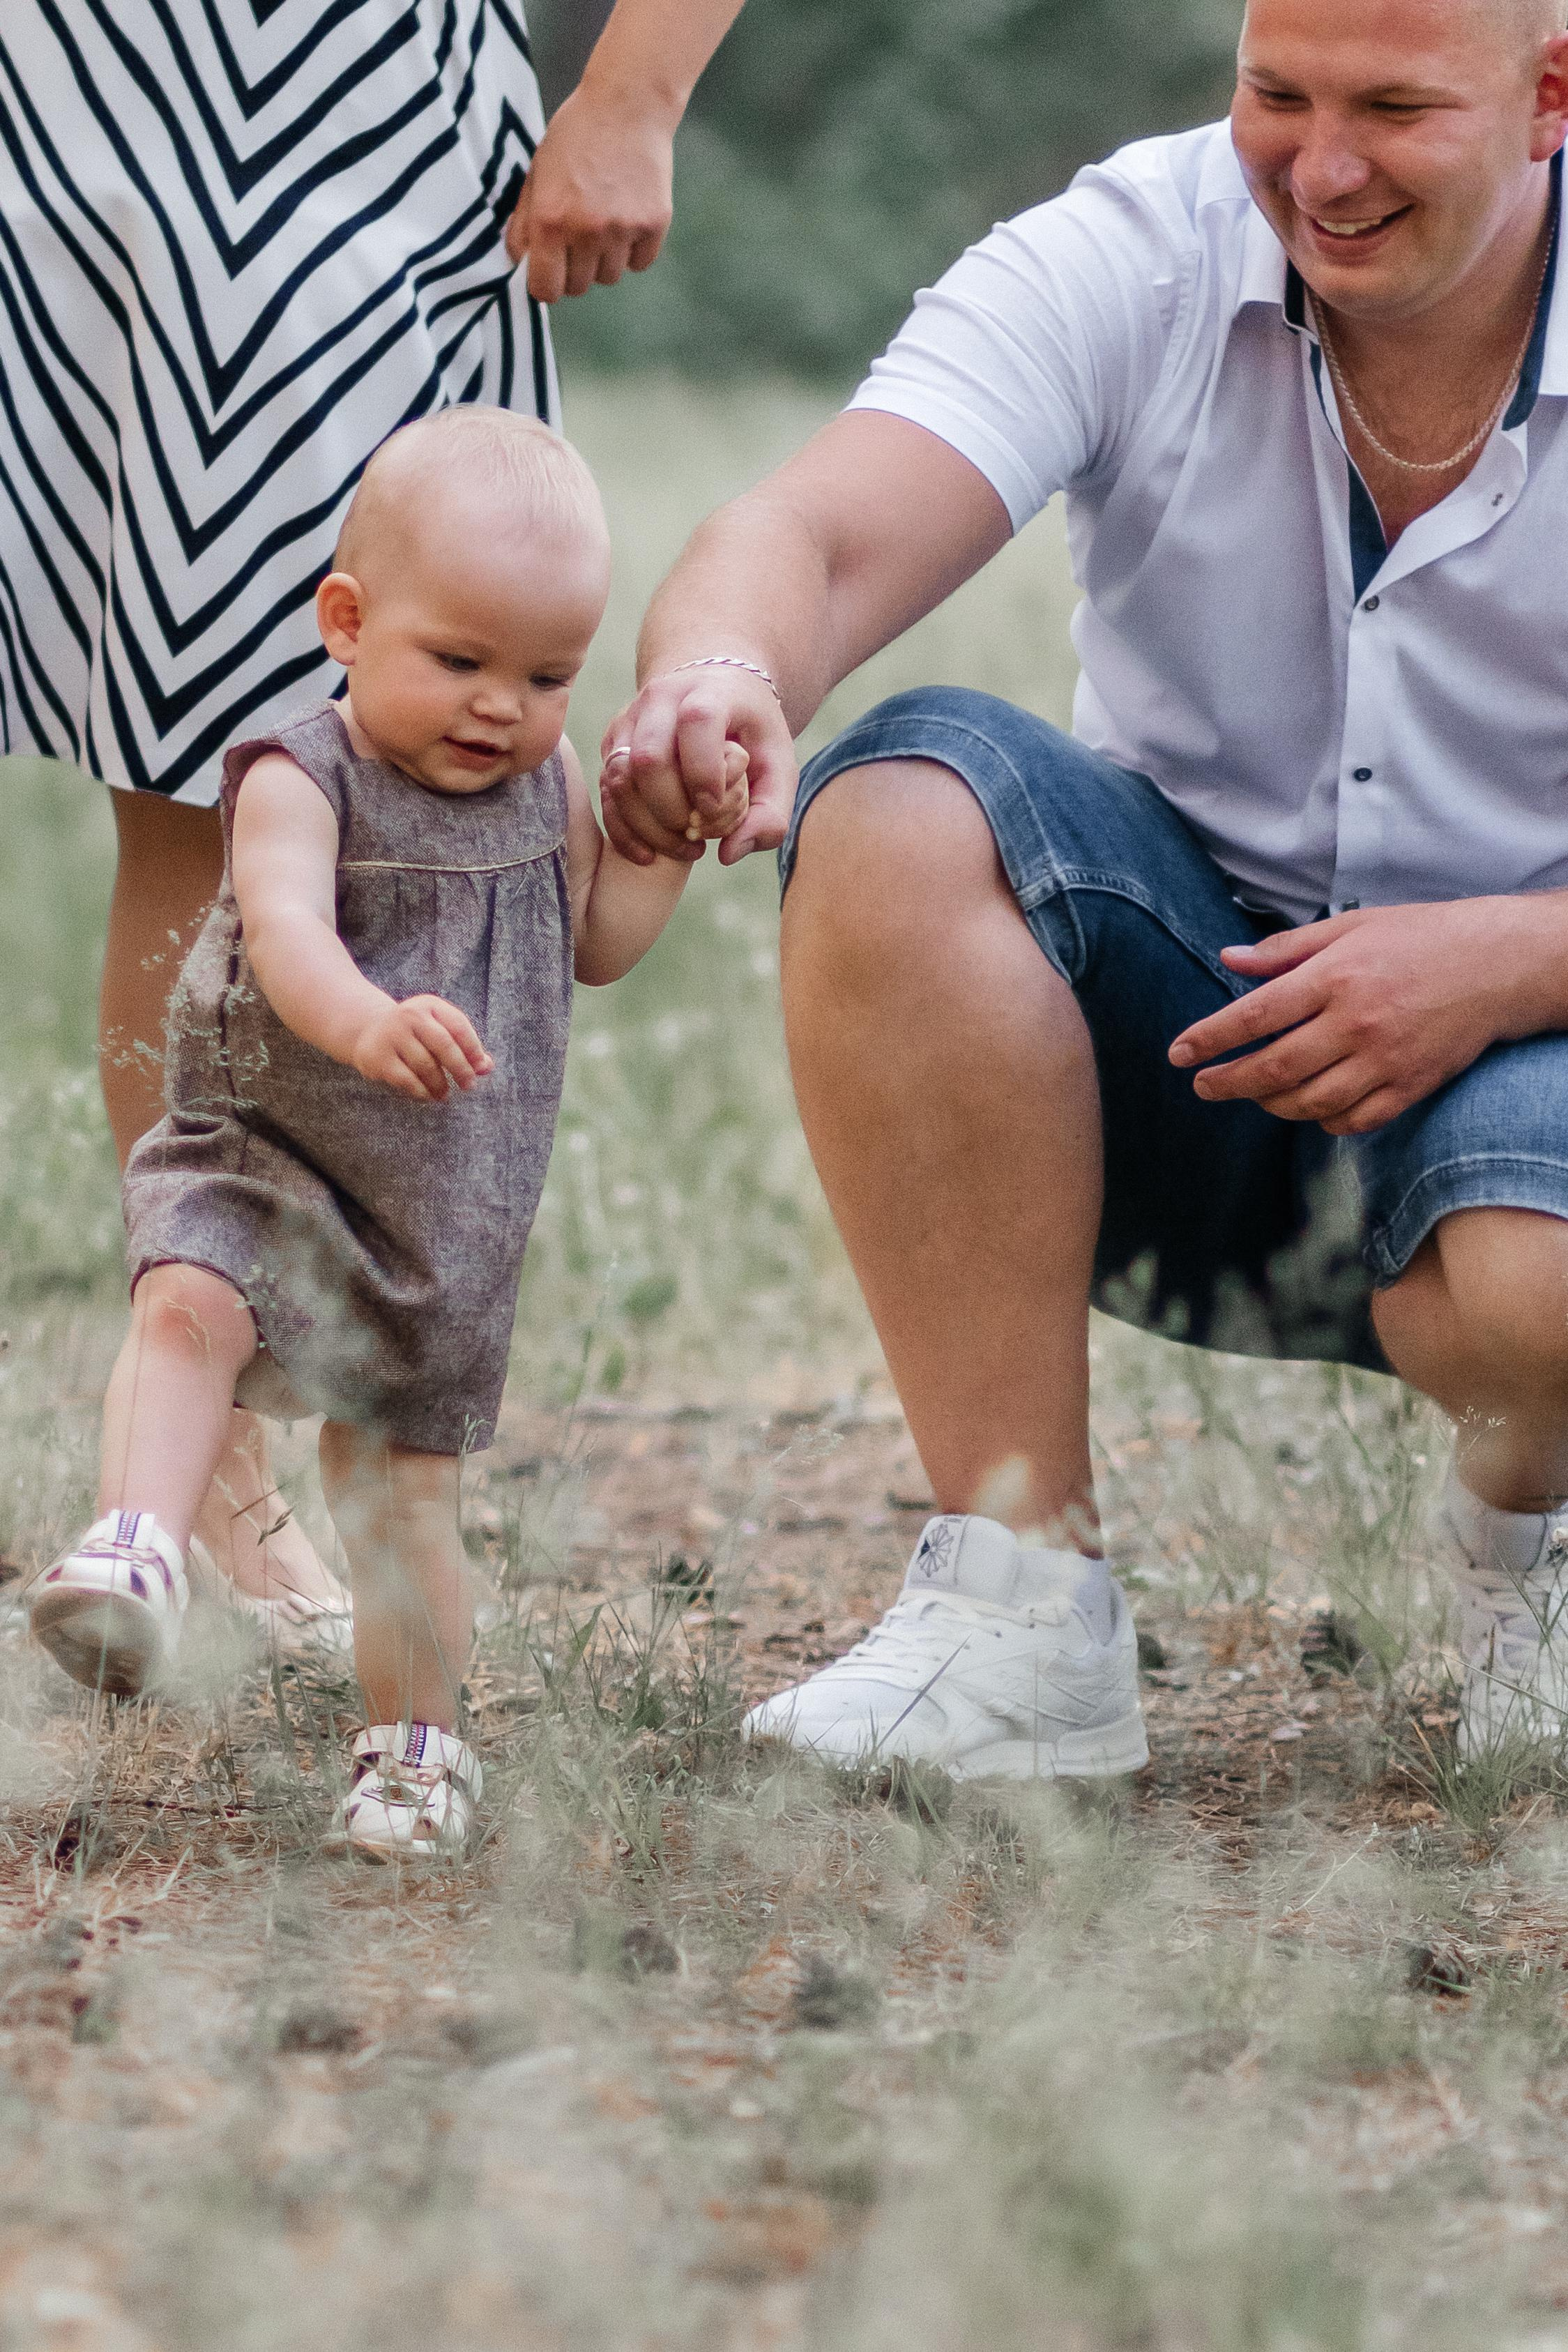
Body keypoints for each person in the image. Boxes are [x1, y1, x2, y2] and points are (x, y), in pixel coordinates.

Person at [597, 0, 1568, 1779]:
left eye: (1395, 110)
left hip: (1545, 1059)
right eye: (1279, 94)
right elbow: (805, 533)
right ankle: (1018, 1612)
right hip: (1186, 1020)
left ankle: (1533, 1526)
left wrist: (1513, 957)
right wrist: (723, 668)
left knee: (1538, 1287)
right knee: (896, 798)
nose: (1321, 169)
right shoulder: (1138, 247)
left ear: (1551, 97)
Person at [0, 0, 746, 1632]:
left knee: (364, 706)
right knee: (190, 785)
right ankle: (196, 1466)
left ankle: (255, 1435)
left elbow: (602, 928)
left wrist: (635, 88)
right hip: (76, 97)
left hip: (360, 116)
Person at [26, 408, 746, 1858]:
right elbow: (286, 932)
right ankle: (137, 1549)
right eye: (462, 660)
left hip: (438, 1213)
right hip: (264, 1149)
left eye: (547, 673)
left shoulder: (552, 797)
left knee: (403, 1498)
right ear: (347, 623)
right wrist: (361, 1019)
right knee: (183, 1308)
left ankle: (414, 1750)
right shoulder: (300, 773)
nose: (502, 705)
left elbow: (595, 944)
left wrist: (661, 850)